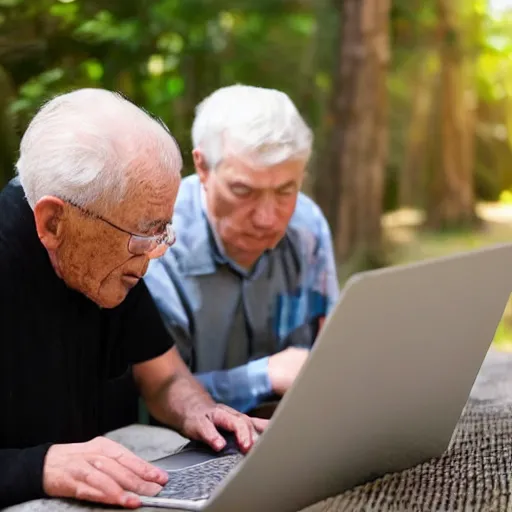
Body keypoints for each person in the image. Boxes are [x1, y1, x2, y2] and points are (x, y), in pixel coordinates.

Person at [0, 88, 267, 510]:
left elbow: (163, 377)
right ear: (53, 223)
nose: (158, 251)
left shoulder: (107, 256)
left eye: (163, 230)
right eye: (145, 232)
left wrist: (200, 411)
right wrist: (39, 467)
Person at [144, 84, 339, 416]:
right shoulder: (156, 243)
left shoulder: (307, 226)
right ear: (203, 168)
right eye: (243, 190)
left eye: (285, 190)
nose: (266, 218)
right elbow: (153, 395)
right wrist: (264, 377)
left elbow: (333, 353)